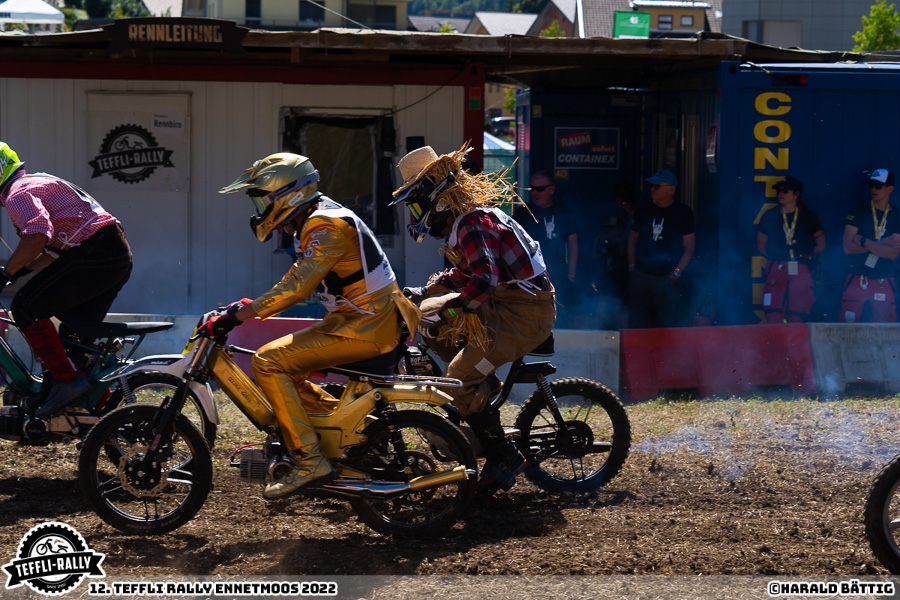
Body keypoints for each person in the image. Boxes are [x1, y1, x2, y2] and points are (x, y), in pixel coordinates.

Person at [211, 152, 419, 500]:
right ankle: (331, 438)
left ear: (288, 194)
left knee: (268, 361)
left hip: (367, 326)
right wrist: (249, 308)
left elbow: (297, 287)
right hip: (359, 320)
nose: (260, 208)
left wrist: (236, 317)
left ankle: (309, 461)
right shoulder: (316, 217)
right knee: (284, 367)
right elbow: (299, 279)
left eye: (263, 198)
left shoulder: (325, 224)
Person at [392, 145, 555, 493]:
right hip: (505, 305)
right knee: (431, 324)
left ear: (438, 200)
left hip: (522, 314)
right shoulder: (471, 219)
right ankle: (484, 389)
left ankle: (504, 456)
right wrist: (423, 294)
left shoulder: (472, 224)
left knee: (455, 378)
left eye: (416, 206)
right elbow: (464, 272)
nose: (415, 215)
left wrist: (448, 308)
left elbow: (483, 282)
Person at [0, 141, 133, 417]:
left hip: (95, 253)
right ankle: (93, 410)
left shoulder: (16, 193)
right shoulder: (36, 182)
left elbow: (37, 234)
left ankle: (65, 383)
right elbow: (50, 251)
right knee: (74, 334)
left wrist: (8, 272)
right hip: (113, 254)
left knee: (25, 308)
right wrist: (20, 271)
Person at [626, 169, 695, 328]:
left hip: (667, 278)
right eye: (651, 186)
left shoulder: (683, 212)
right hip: (641, 275)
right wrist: (632, 268)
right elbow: (632, 239)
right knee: (638, 323)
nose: (652, 189)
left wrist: (676, 273)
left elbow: (690, 247)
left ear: (671, 189)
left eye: (657, 186)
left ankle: (664, 353)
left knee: (666, 324)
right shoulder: (643, 208)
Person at [512, 170, 578, 326]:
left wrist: (571, 275)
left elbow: (573, 244)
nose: (535, 192)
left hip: (558, 275)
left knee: (560, 316)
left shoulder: (563, 212)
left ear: (551, 190)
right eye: (532, 189)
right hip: (530, 276)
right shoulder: (523, 213)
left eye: (540, 189)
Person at [757, 175, 825, 323]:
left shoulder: (808, 216)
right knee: (773, 313)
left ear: (796, 194)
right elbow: (761, 243)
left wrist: (808, 260)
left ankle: (793, 344)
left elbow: (821, 244)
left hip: (800, 266)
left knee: (797, 313)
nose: (780, 194)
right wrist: (775, 257)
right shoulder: (770, 215)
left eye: (785, 191)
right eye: (779, 191)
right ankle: (775, 345)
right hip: (777, 265)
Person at [839, 168, 900, 323]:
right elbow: (847, 247)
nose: (873, 189)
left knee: (884, 326)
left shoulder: (896, 217)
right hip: (856, 276)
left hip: (883, 278)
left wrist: (864, 241)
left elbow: (893, 253)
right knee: (848, 322)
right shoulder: (858, 212)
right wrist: (881, 244)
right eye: (871, 185)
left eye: (878, 186)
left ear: (890, 189)